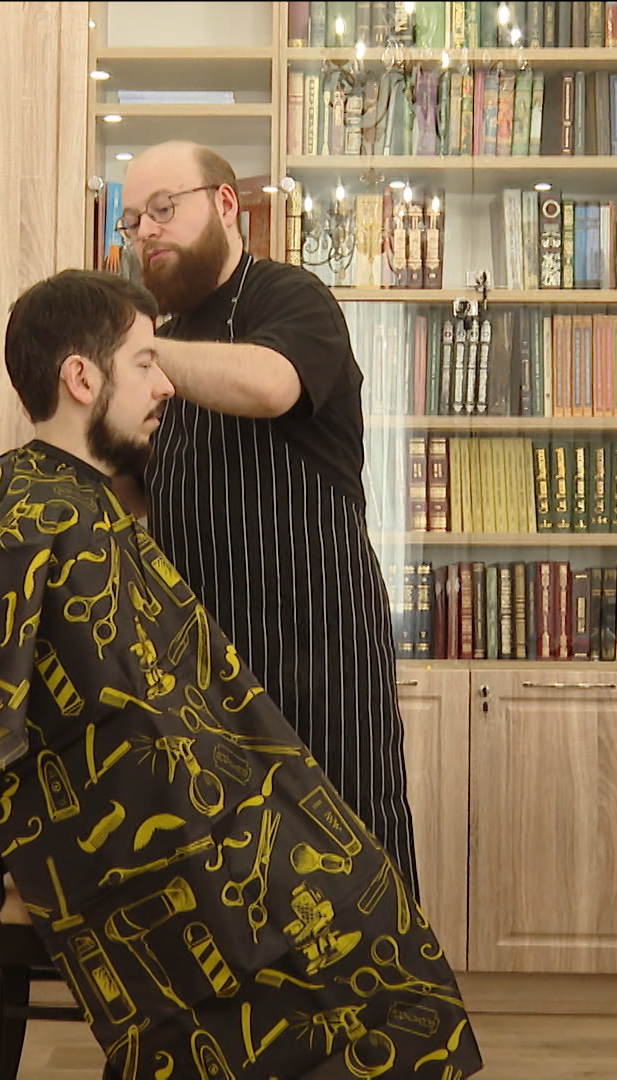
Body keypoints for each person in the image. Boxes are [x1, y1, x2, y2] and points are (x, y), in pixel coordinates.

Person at [0, 270, 480, 1080]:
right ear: (83, 378)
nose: (167, 385)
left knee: (354, 881)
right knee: (359, 918)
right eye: (146, 363)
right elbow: (110, 726)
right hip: (124, 843)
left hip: (152, 807)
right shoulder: (50, 515)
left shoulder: (54, 502)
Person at [113, 140, 422, 898]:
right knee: (234, 888)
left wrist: (137, 350)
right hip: (204, 660)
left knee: (353, 865)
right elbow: (135, 488)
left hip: (319, 649)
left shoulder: (291, 296)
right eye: (131, 220)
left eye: (163, 209)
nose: (146, 231)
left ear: (225, 204)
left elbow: (272, 385)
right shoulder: (164, 338)